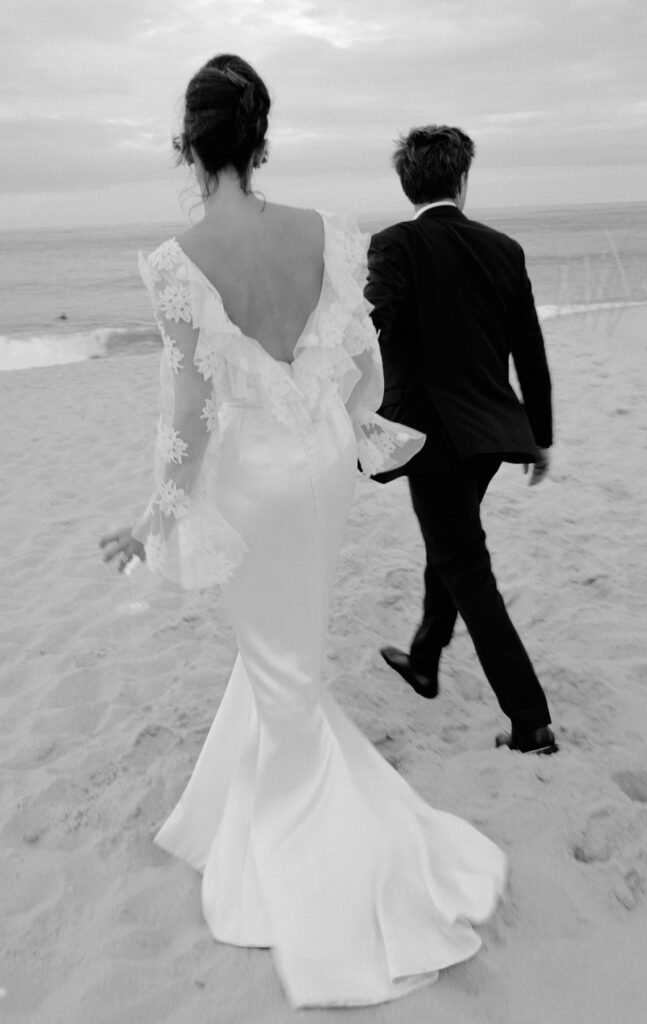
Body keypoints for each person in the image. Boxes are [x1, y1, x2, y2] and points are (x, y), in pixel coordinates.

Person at [99, 60, 506, 1009]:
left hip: (250, 482)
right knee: (286, 649)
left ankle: (316, 855)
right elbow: (361, 363)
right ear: (259, 137)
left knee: (278, 657)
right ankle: (227, 808)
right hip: (318, 471)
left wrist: (153, 518)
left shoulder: (175, 262)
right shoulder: (323, 232)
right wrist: (348, 428)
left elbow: (190, 417)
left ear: (190, 147)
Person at [365, 125, 558, 756]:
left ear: (407, 184)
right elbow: (529, 348)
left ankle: (530, 721)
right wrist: (541, 435)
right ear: (462, 180)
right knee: (451, 546)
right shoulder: (503, 248)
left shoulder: (394, 244)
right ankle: (424, 659)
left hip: (429, 441)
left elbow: (373, 325)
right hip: (490, 439)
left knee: (466, 567)